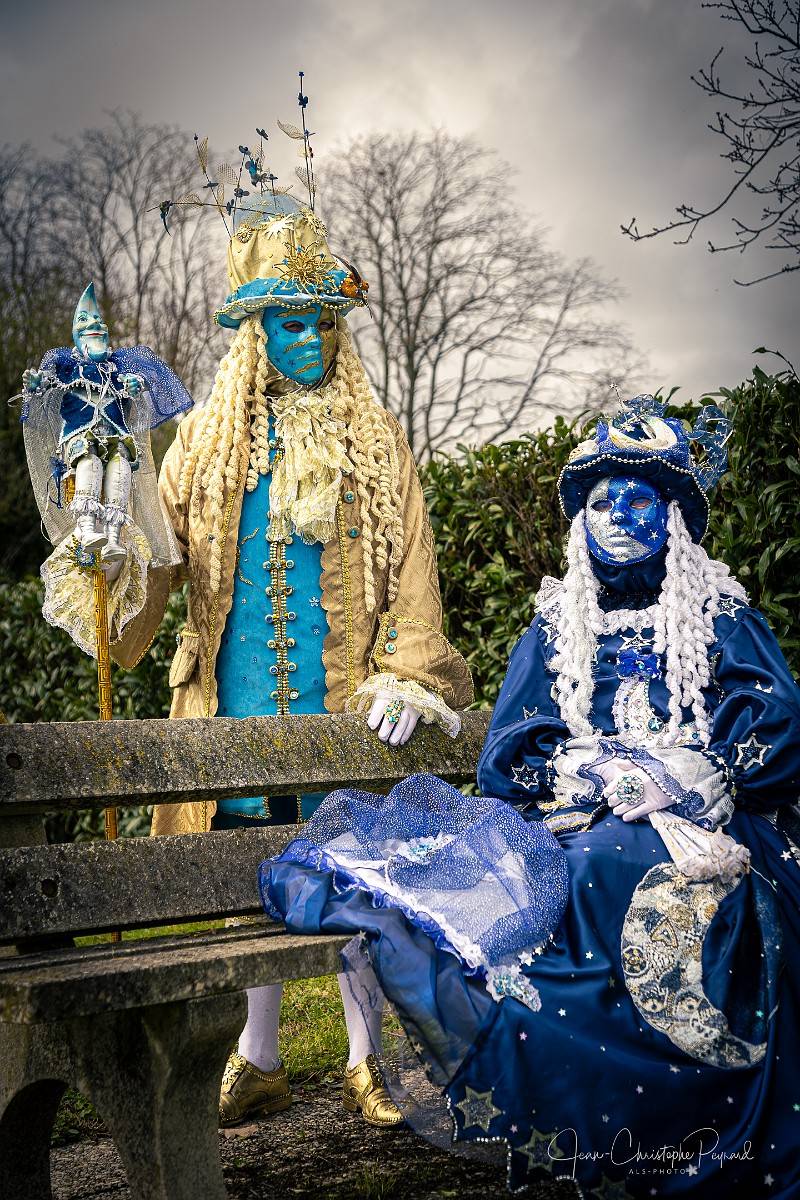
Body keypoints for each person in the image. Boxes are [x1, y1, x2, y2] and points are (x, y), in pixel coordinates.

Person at [262, 394, 800, 1197]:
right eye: (601, 502)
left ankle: (650, 1123)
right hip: (580, 817)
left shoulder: (721, 618)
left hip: (706, 830)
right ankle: (589, 1113)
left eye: (638, 498)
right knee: (566, 869)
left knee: (623, 871)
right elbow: (513, 751)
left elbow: (774, 731)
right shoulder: (557, 627)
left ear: (673, 516)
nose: (618, 516)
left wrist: (690, 776)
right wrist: (590, 770)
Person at [111, 178, 473, 1130]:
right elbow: (154, 575)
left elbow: (415, 579)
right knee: (253, 878)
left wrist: (408, 676)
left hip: (342, 714)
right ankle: (260, 1056)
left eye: (323, 320)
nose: (311, 338)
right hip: (236, 716)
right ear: (255, 331)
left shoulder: (377, 444)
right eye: (290, 322)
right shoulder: (202, 447)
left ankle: (365, 1060)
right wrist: (112, 550)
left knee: (351, 881)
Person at [18, 281, 192, 655]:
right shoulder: (68, 367)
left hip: (115, 436)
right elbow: (45, 386)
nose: (95, 326)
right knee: (91, 464)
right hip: (81, 439)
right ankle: (86, 531)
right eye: (86, 322)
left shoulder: (116, 369)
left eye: (99, 322)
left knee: (121, 470)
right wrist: (37, 383)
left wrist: (133, 385)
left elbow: (135, 392)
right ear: (76, 334)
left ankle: (112, 537)